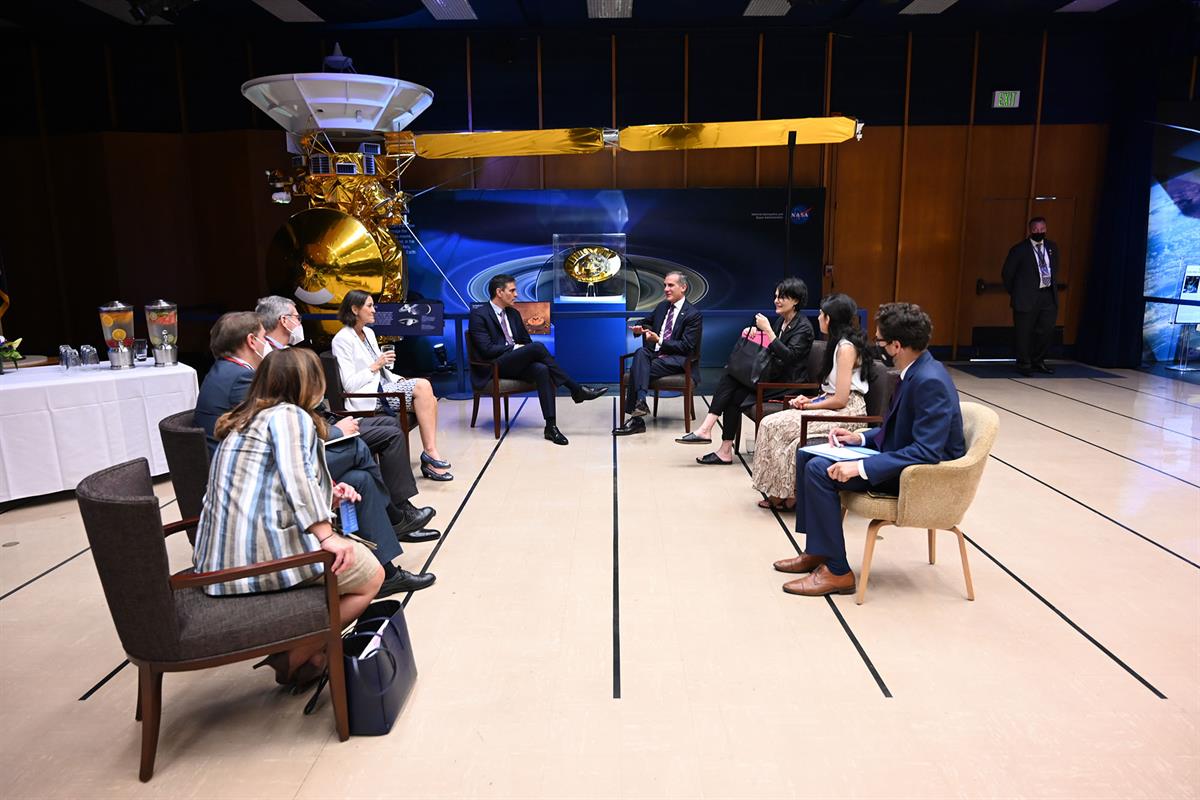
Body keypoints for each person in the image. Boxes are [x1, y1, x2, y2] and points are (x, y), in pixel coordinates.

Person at [193, 347, 385, 689]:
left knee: (351, 561)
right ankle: (297, 652)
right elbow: (296, 477)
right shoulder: (289, 416)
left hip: (214, 562)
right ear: (308, 384)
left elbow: (275, 484)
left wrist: (330, 495)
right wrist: (327, 536)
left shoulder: (243, 417)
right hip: (253, 564)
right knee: (372, 574)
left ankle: (306, 650)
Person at [195, 313, 439, 551]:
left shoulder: (225, 372)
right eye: (262, 337)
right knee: (357, 447)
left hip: (270, 458)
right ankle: (397, 517)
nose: (266, 342)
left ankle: (390, 551)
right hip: (260, 473)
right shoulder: (242, 379)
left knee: (362, 476)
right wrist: (334, 432)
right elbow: (280, 431)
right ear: (251, 341)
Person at [773, 303, 965, 597]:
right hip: (902, 457)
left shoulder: (929, 381)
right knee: (807, 455)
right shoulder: (916, 371)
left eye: (881, 341)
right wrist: (860, 440)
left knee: (819, 471)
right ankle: (819, 550)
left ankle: (837, 572)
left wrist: (860, 467)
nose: (878, 346)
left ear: (897, 345)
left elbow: (927, 451)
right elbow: (900, 429)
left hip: (921, 475)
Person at [256, 295, 431, 513]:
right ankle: (397, 511)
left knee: (398, 418)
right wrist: (335, 431)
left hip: (324, 419)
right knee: (388, 434)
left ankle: (402, 503)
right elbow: (339, 388)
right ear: (284, 320)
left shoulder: (366, 334)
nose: (375, 310)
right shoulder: (269, 359)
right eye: (297, 317)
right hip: (330, 422)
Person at [750, 293, 873, 510]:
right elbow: (831, 391)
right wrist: (809, 399)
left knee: (782, 429)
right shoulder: (836, 344)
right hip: (831, 404)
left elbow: (842, 399)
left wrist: (809, 406)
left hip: (847, 412)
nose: (818, 318)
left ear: (830, 319)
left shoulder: (846, 348)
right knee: (770, 424)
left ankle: (790, 494)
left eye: (821, 315)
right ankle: (777, 490)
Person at [674, 277, 813, 464]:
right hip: (772, 375)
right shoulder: (782, 321)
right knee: (731, 382)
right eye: (776, 296)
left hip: (788, 384)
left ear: (795, 301)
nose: (776, 301)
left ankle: (708, 431)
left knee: (731, 378)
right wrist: (758, 332)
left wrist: (768, 332)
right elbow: (772, 347)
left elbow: (789, 357)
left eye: (782, 297)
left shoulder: (803, 327)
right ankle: (722, 449)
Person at [468, 274, 608, 445]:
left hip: (514, 362)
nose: (516, 294)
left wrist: (521, 349)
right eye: (512, 290)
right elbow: (486, 350)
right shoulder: (479, 315)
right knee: (538, 347)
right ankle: (576, 389)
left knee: (542, 369)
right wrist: (515, 348)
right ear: (499, 292)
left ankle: (551, 427)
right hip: (494, 365)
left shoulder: (512, 313)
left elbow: (526, 341)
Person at [331, 291, 453, 480]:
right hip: (367, 396)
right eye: (369, 306)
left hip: (384, 388)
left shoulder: (369, 332)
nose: (374, 310)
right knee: (423, 386)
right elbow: (350, 384)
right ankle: (430, 455)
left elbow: (383, 373)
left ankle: (430, 456)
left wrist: (397, 379)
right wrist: (376, 365)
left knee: (429, 399)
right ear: (355, 309)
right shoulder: (341, 339)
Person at [612, 271, 703, 437]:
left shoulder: (693, 314)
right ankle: (641, 403)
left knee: (637, 369)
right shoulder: (662, 306)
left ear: (683, 287)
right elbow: (646, 321)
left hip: (678, 360)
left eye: (670, 285)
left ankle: (637, 420)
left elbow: (687, 346)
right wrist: (639, 328)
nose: (666, 289)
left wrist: (659, 340)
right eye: (664, 285)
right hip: (656, 357)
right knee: (641, 353)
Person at [1002, 216, 1059, 376]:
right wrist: (1017, 293)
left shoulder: (1052, 247)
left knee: (1045, 330)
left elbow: (1055, 269)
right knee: (1024, 332)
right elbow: (1007, 274)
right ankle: (1024, 363)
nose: (1039, 232)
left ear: (1046, 229)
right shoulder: (1019, 250)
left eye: (1042, 229)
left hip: (1047, 295)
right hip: (1026, 297)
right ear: (1030, 230)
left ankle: (1038, 361)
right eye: (1036, 230)